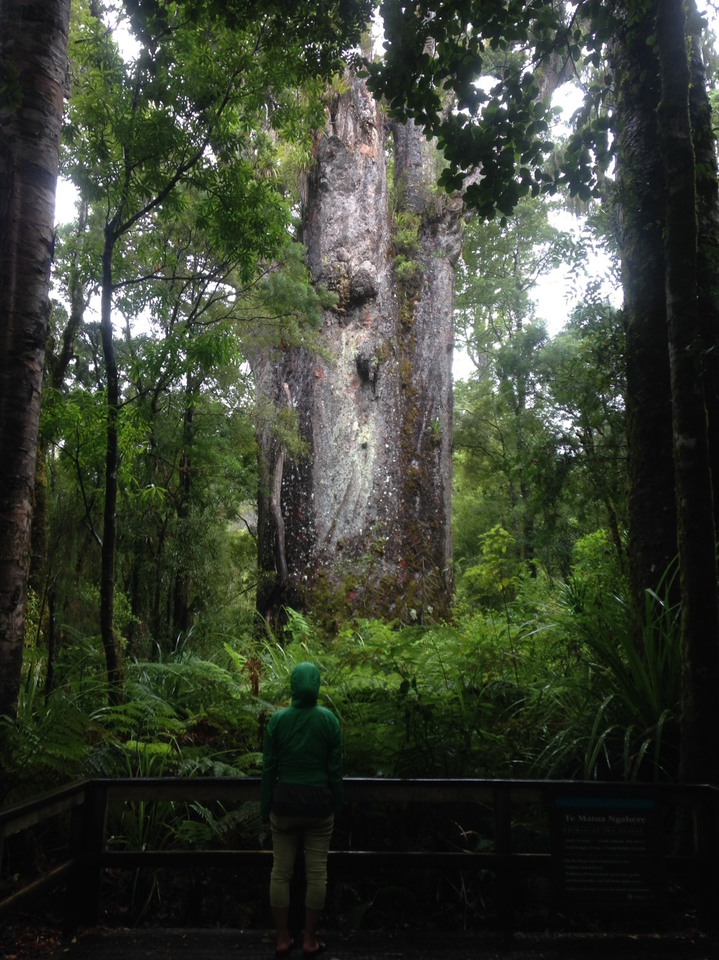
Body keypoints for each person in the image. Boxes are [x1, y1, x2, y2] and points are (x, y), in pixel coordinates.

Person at [261, 662, 344, 959]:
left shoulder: (278, 721)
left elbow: (269, 769)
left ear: (293, 684)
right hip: (319, 807)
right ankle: (309, 940)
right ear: (317, 684)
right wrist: (339, 802)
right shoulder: (329, 721)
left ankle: (283, 939)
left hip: (283, 805)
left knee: (281, 872)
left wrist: (264, 806)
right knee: (317, 872)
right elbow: (335, 771)